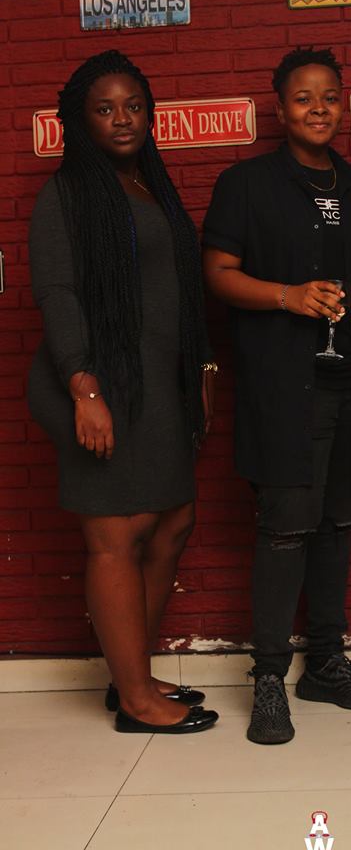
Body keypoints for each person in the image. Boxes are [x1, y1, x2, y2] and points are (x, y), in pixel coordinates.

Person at [203, 47, 351, 744]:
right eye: (303, 98)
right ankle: (268, 678)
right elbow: (218, 274)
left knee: (338, 524)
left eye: (330, 96)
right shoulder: (246, 185)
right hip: (285, 388)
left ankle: (324, 663)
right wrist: (288, 296)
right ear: (280, 108)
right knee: (286, 527)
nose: (319, 108)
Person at [28, 50, 218, 734]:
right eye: (104, 109)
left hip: (155, 384)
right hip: (95, 383)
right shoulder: (67, 193)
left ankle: (129, 672)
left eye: (133, 106)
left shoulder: (147, 183)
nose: (121, 119)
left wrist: (200, 372)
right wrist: (84, 388)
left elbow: (178, 293)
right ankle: (136, 702)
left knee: (172, 522)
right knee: (116, 534)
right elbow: (57, 292)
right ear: (81, 120)